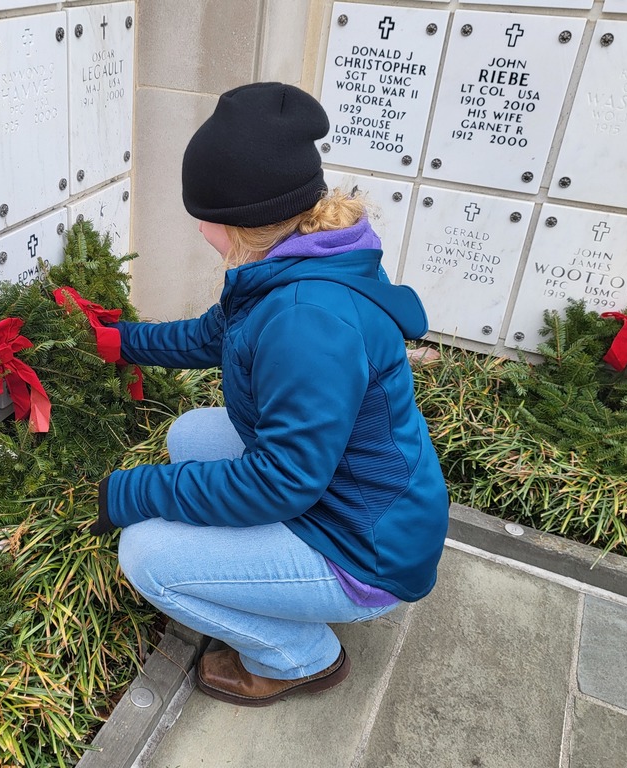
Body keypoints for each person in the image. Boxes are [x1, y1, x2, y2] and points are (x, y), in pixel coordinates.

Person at [90, 82, 449, 707]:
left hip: (367, 550)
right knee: (191, 435)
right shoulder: (295, 261)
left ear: (239, 218)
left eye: (203, 212)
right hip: (347, 498)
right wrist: (116, 342)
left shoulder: (306, 320)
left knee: (145, 554)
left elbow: (281, 482)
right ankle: (277, 583)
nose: (197, 224)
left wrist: (132, 492)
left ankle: (298, 657)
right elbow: (212, 336)